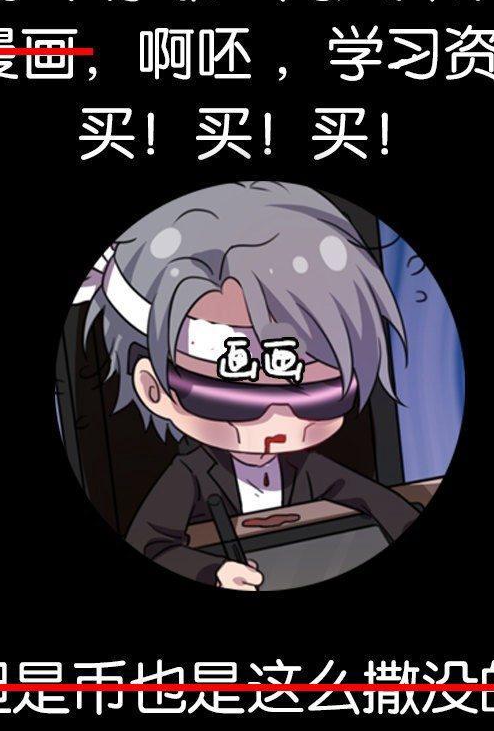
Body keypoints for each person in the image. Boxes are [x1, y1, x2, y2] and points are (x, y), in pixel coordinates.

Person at [80, 181, 421, 586]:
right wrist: (214, 572)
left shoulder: (304, 467)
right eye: (234, 402)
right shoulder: (191, 476)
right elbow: (150, 544)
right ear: (154, 389)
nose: (279, 424)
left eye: (320, 399)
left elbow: (375, 499)